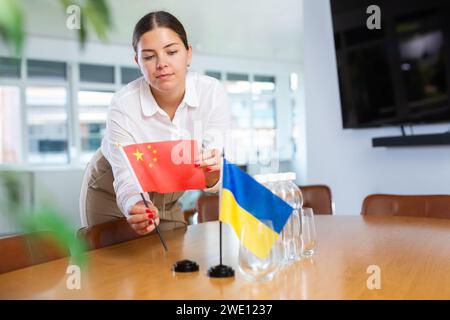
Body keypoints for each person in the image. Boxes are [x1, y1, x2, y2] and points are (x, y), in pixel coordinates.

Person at [79, 11, 231, 234]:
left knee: (173, 262)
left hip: (170, 196)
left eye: (171, 52)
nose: (162, 64)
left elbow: (213, 173)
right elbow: (125, 177)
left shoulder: (212, 94)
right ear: (137, 61)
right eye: (149, 56)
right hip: (111, 193)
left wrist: (214, 173)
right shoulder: (123, 105)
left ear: (188, 54)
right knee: (115, 266)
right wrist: (136, 205)